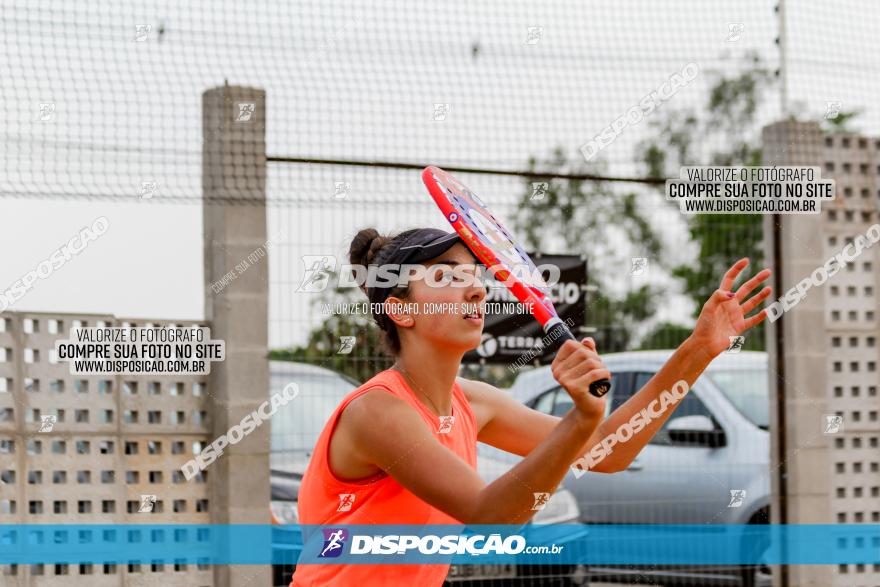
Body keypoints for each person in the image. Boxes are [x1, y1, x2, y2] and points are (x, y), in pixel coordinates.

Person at [290, 227, 772, 587]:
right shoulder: (379, 411)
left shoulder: (473, 402)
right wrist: (581, 418)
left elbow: (610, 451)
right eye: (446, 276)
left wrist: (698, 350)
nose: (476, 288)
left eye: (474, 275)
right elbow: (492, 517)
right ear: (401, 309)